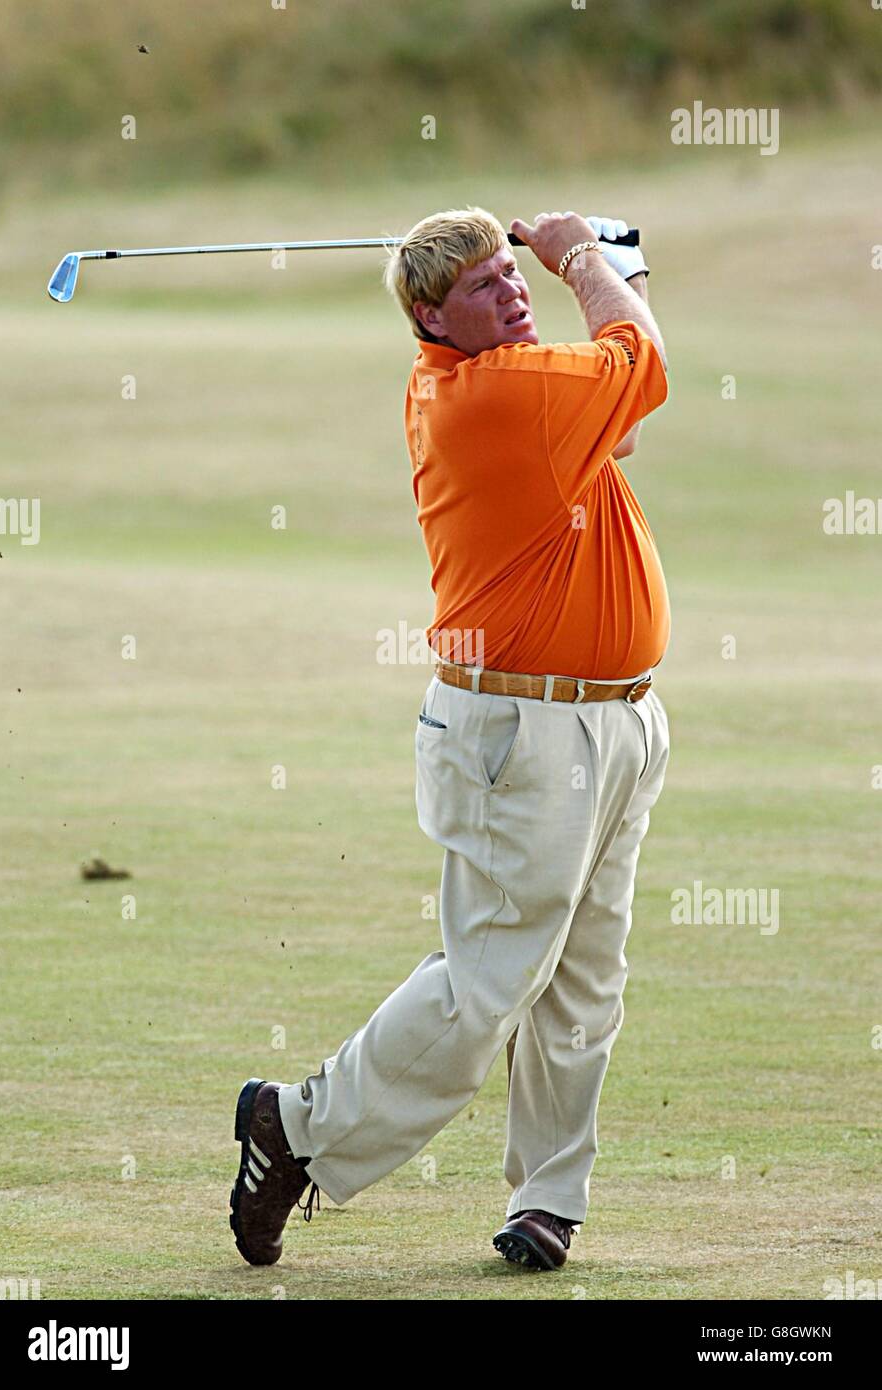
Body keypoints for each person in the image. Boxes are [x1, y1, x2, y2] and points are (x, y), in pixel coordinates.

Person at [230, 207, 671, 1272]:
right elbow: (642, 361)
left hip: (614, 720)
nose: (512, 293)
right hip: (523, 731)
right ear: (431, 317)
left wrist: (621, 266)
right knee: (489, 982)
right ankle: (294, 1125)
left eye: (512, 274)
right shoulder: (495, 399)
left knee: (582, 976)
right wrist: (579, 255)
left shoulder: (529, 387)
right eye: (483, 288)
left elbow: (628, 405)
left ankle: (546, 1197)